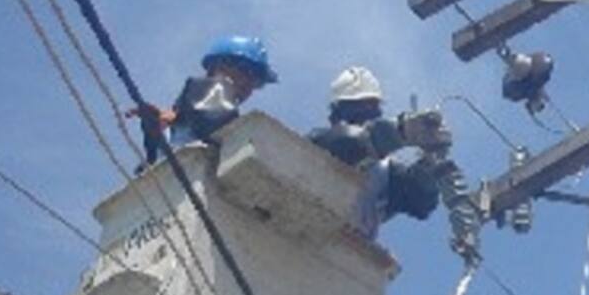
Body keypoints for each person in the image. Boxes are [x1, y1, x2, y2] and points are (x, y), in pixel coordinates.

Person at [308, 66, 447, 237]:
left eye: (373, 106)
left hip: (345, 252)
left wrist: (430, 159)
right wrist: (403, 130)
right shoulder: (320, 142)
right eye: (363, 105)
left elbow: (421, 201)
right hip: (306, 223)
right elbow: (348, 143)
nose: (369, 112)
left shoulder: (386, 172)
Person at [131, 35, 278, 165]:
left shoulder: (190, 107)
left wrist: (172, 120)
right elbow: (213, 124)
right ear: (219, 65)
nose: (249, 83)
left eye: (257, 81)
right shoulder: (213, 92)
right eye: (246, 71)